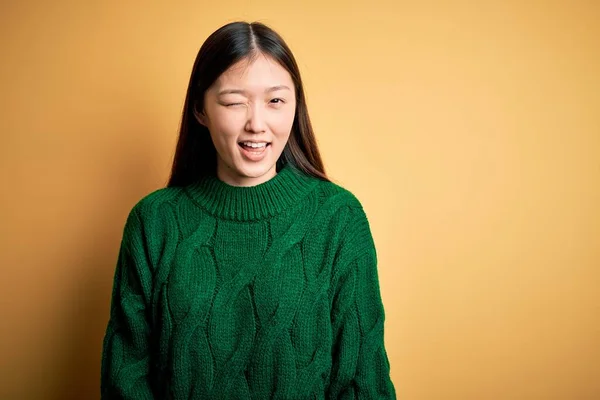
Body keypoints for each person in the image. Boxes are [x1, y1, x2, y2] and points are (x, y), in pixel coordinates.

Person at [100, 20, 396, 399]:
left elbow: (362, 380)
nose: (257, 124)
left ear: (295, 107)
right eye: (234, 102)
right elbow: (125, 379)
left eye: (275, 101)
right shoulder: (154, 222)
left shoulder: (338, 219)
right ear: (200, 110)